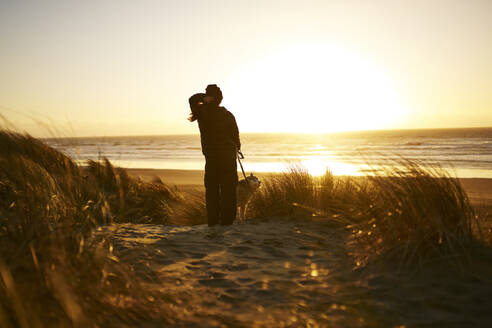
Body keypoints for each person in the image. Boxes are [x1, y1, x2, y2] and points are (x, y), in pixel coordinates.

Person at [188, 84, 240, 226]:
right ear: (220, 99)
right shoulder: (228, 115)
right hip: (228, 157)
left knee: (212, 190)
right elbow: (236, 137)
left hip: (212, 158)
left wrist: (204, 98)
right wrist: (237, 149)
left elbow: (192, 99)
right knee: (229, 189)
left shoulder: (202, 112)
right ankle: (227, 222)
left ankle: (213, 221)